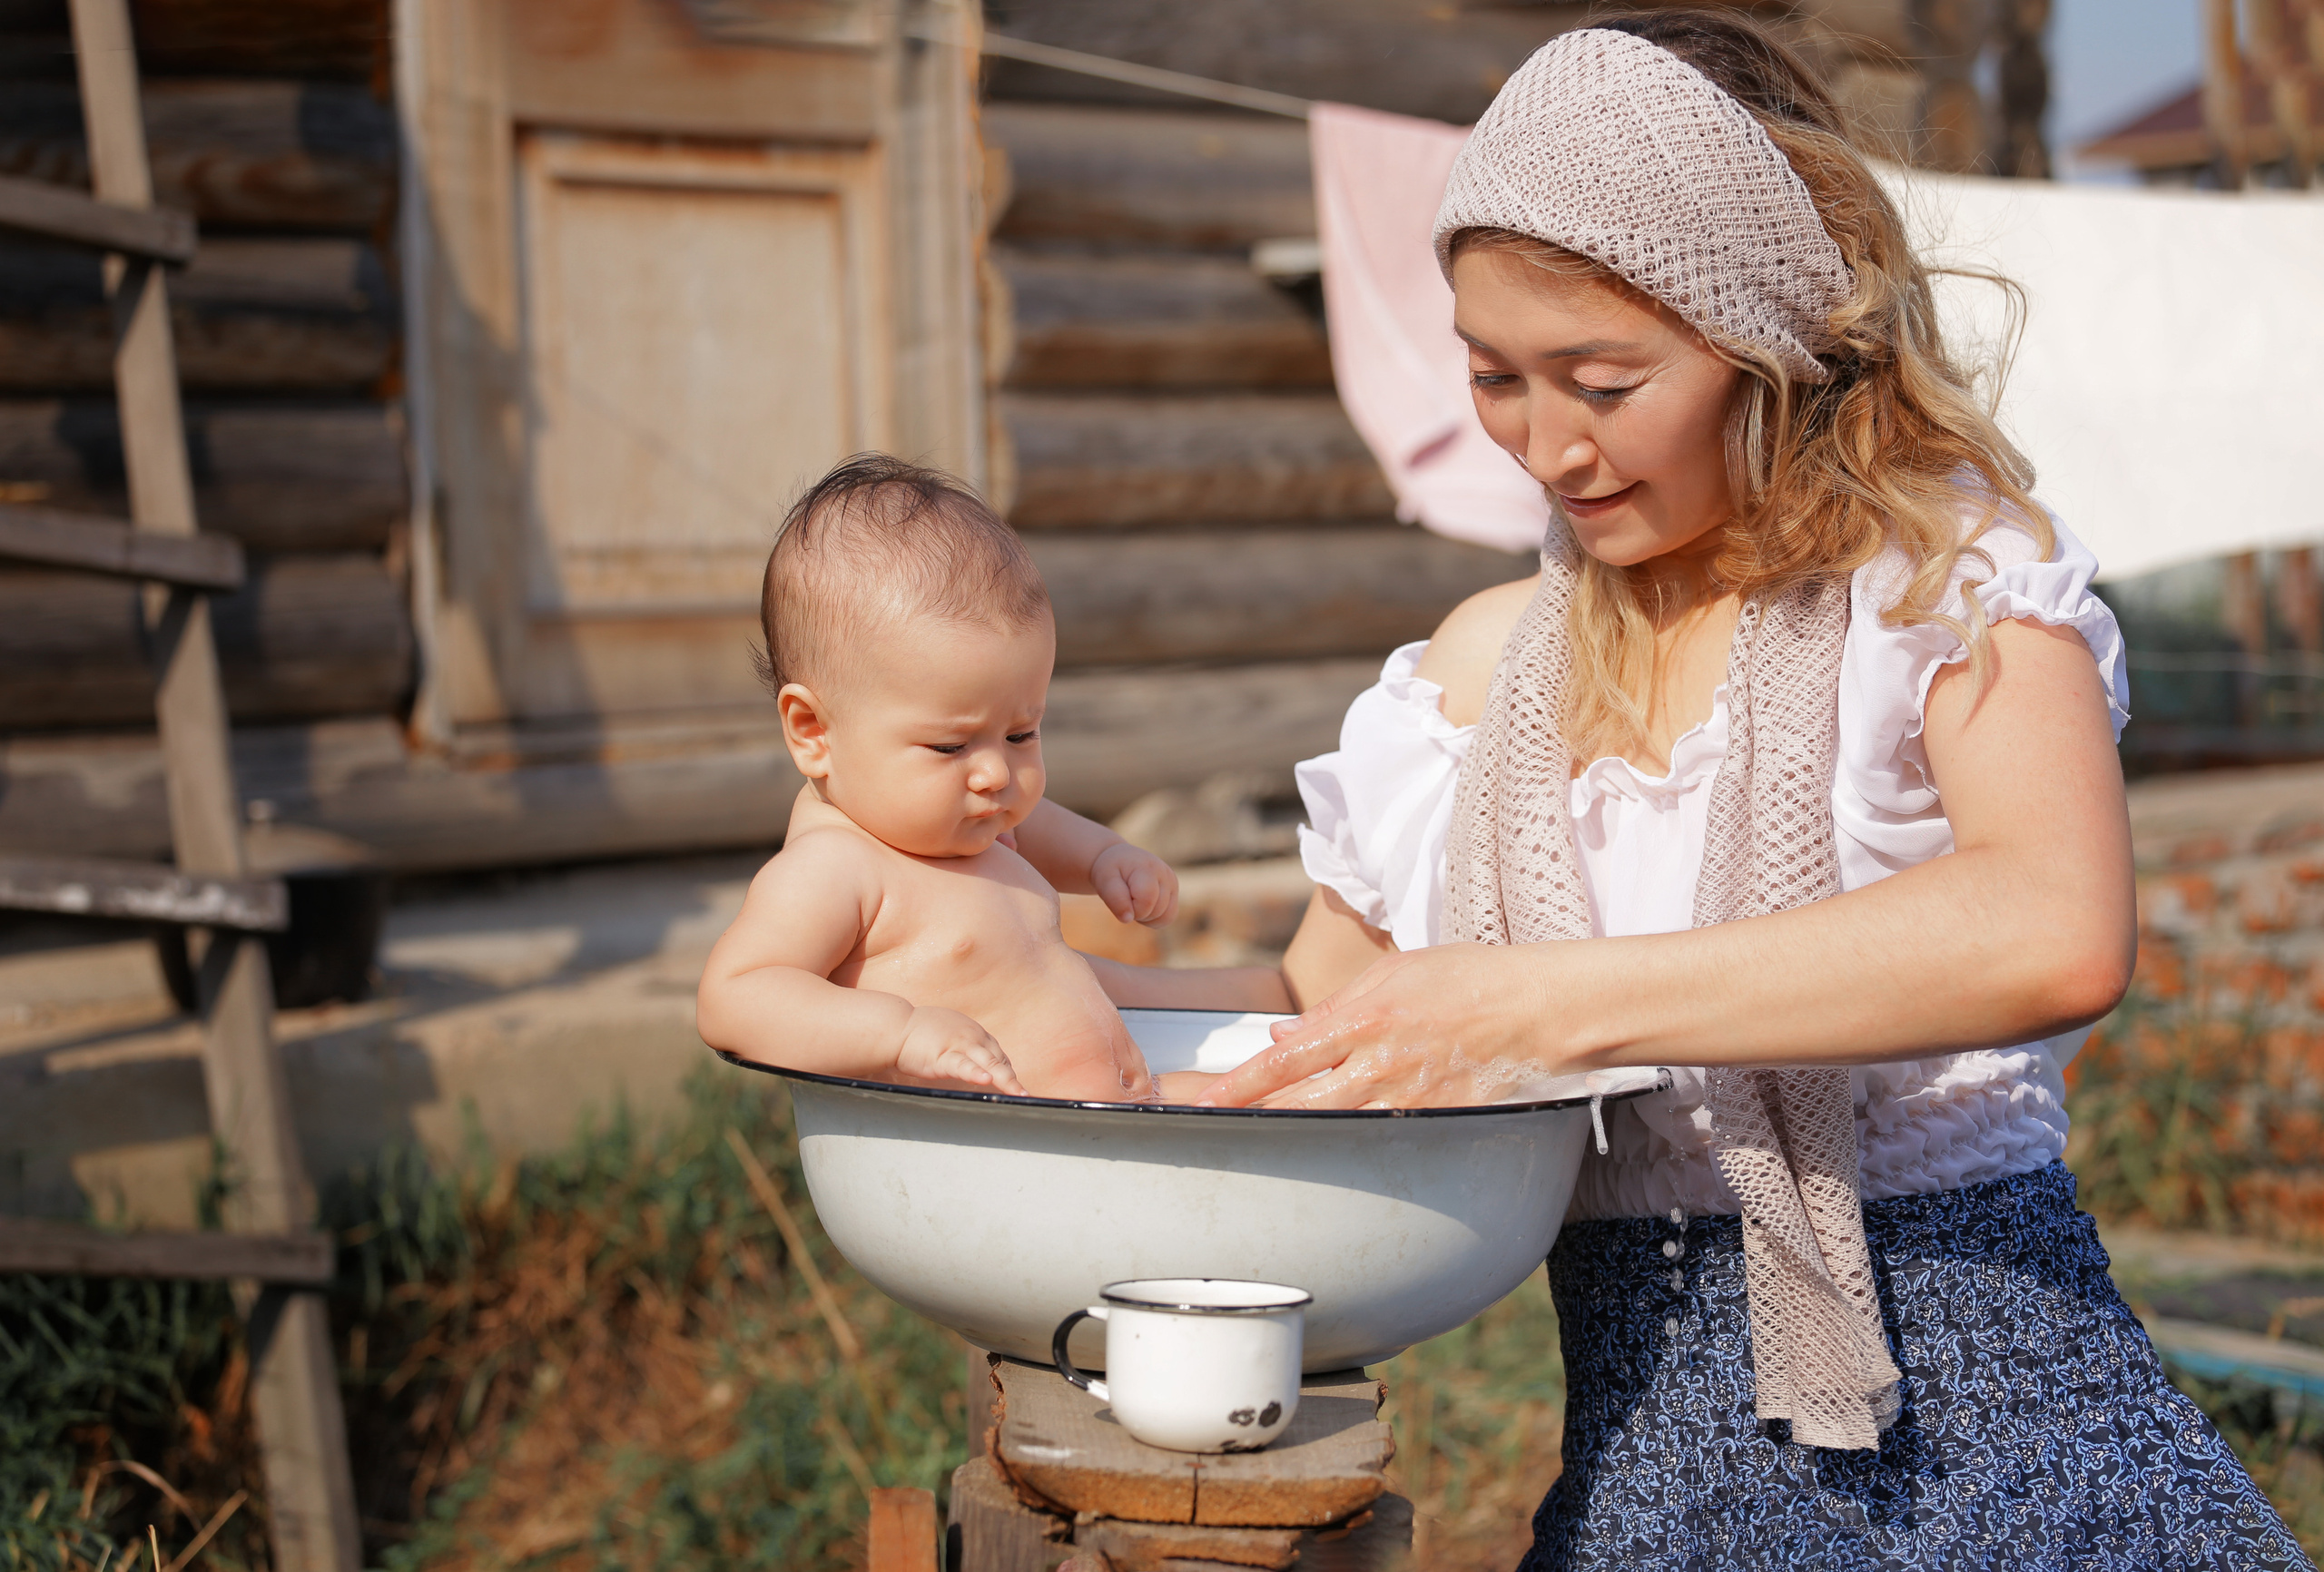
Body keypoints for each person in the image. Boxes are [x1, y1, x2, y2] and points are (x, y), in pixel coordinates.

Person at [1199, 14, 2311, 1567]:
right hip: (1655, 1484)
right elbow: (1317, 1005)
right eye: (1497, 380)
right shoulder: (1474, 674)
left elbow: (2055, 922)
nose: (1547, 446)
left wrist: (1542, 1002)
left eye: (1601, 379)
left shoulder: (1942, 581)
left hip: (2014, 1478)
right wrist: (1004, 978)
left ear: (1758, 336)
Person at [696, 456, 1300, 1103]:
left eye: (1021, 734)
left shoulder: (967, 823)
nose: (994, 773)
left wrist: (1106, 857)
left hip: (1129, 1098)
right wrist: (898, 1035)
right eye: (950, 744)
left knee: (1303, 1092)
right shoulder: (836, 867)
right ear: (814, 731)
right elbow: (736, 997)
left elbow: (1042, 825)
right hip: (1010, 1144)